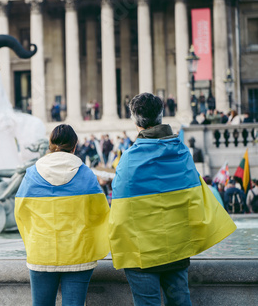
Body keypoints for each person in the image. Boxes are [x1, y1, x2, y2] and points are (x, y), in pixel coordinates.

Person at [109, 93, 236, 306]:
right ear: (160, 116)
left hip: (143, 255)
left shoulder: (128, 160)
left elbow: (120, 211)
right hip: (176, 249)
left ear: (135, 121)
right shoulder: (182, 153)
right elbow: (196, 199)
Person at [15, 124, 110, 306]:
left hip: (41, 253)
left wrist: (33, 240)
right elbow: (101, 214)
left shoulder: (31, 175)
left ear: (50, 145)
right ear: (74, 147)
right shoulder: (86, 174)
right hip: (79, 255)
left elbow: (20, 214)